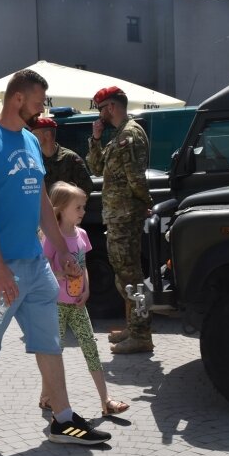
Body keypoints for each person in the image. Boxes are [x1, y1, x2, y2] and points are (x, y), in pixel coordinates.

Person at [0, 69, 110, 445]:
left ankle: (62, 418)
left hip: (35, 266)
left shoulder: (28, 140)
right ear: (18, 98)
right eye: (39, 100)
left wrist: (63, 250)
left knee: (48, 339)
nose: (43, 107)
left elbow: (42, 202)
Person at [38, 181, 130, 416]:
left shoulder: (82, 235)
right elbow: (44, 269)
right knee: (53, 353)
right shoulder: (51, 237)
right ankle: (47, 395)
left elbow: (83, 264)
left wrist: (86, 290)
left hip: (78, 304)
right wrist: (62, 275)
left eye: (83, 207)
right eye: (77, 207)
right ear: (60, 208)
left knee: (91, 348)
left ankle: (105, 400)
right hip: (55, 305)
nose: (83, 212)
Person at [87, 86, 154, 354]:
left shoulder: (130, 134)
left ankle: (141, 334)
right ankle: (134, 327)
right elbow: (96, 168)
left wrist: (145, 203)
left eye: (101, 109)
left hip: (126, 216)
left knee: (131, 277)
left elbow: (136, 178)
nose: (100, 114)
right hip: (118, 216)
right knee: (124, 275)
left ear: (111, 107)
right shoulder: (118, 135)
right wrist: (95, 139)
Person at [29, 117, 94, 196]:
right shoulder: (33, 161)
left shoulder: (70, 158)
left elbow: (86, 188)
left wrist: (70, 206)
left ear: (47, 135)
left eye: (34, 135)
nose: (31, 138)